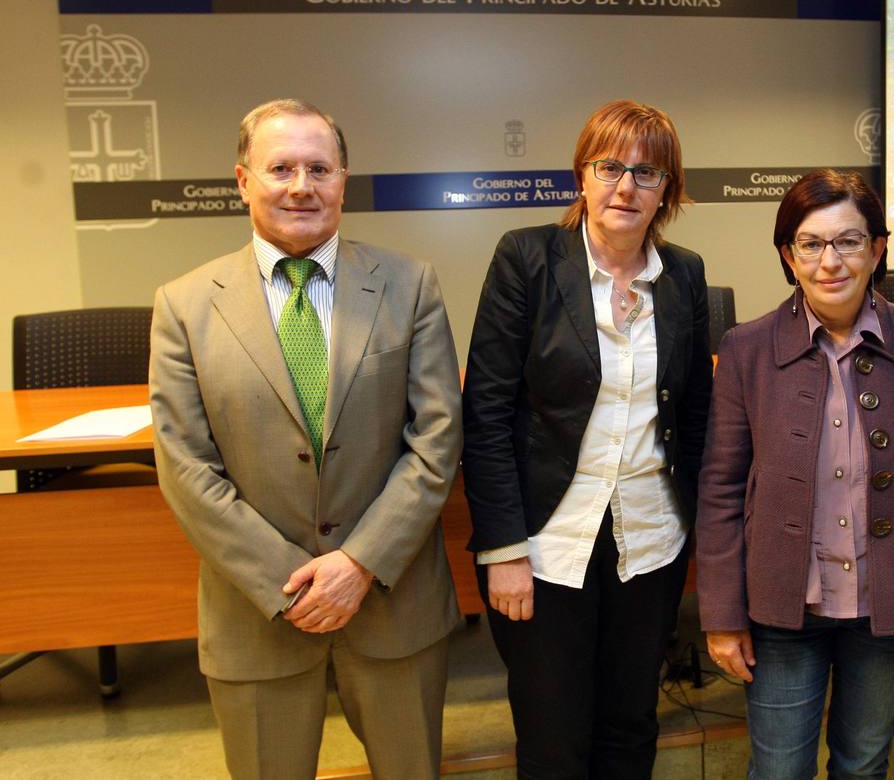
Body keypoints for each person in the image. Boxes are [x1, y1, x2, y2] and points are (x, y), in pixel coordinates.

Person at [149, 99, 462, 780]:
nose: (301, 185)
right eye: (280, 167)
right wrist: (287, 584)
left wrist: (360, 564)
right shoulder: (184, 305)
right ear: (242, 181)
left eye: (319, 168)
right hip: (256, 617)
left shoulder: (410, 287)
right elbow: (185, 467)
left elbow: (437, 437)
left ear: (343, 180)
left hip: (392, 605)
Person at [697, 169, 894, 779]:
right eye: (810, 243)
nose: (830, 261)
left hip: (889, 601)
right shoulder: (745, 348)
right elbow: (721, 488)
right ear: (787, 254)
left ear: (877, 248)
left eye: (849, 241)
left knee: (862, 765)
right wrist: (722, 615)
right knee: (778, 770)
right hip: (782, 609)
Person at [461, 100, 713, 778]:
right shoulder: (528, 258)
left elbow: (695, 420)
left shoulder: (683, 274)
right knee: (553, 736)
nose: (626, 187)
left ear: (668, 191)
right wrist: (503, 550)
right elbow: (486, 414)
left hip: (650, 542)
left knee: (631, 724)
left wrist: (706, 541)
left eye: (648, 172)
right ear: (582, 176)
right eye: (610, 167)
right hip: (546, 545)